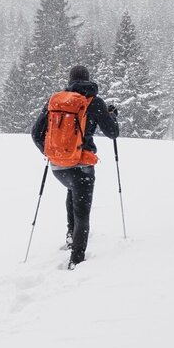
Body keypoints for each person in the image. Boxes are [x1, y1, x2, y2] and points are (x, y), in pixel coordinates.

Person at [31, 65, 119, 268]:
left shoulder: (56, 102)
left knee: (72, 192)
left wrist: (52, 152)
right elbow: (112, 132)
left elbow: (36, 133)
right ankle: (76, 260)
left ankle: (71, 238)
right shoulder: (95, 102)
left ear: (69, 81)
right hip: (82, 167)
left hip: (57, 168)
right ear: (88, 80)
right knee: (82, 212)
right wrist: (112, 115)